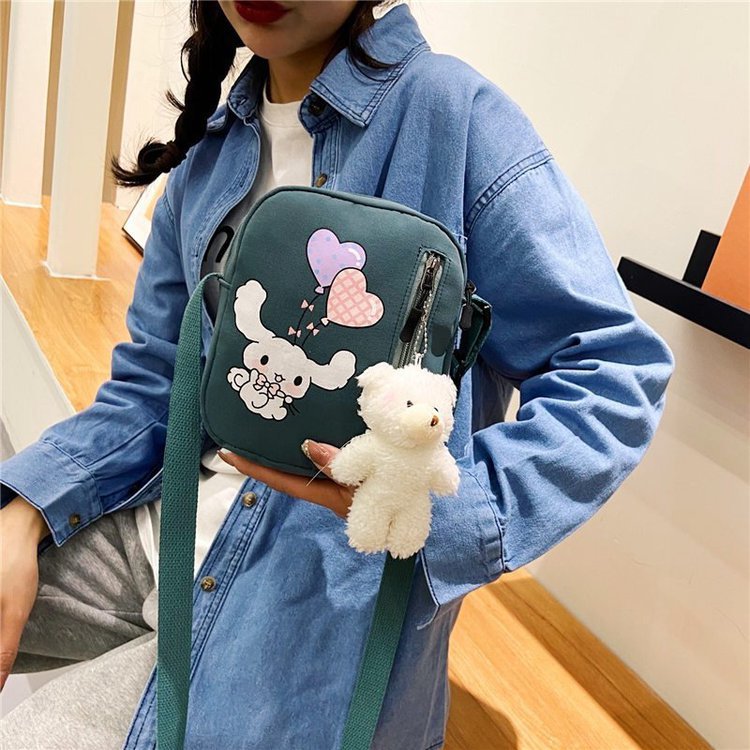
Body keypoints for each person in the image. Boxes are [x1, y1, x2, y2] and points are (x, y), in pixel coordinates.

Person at [0, 1, 676, 748]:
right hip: (159, 533)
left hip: (306, 607)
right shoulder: (211, 152)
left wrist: (435, 507)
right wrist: (25, 511)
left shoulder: (453, 118)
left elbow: (612, 372)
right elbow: (157, 383)